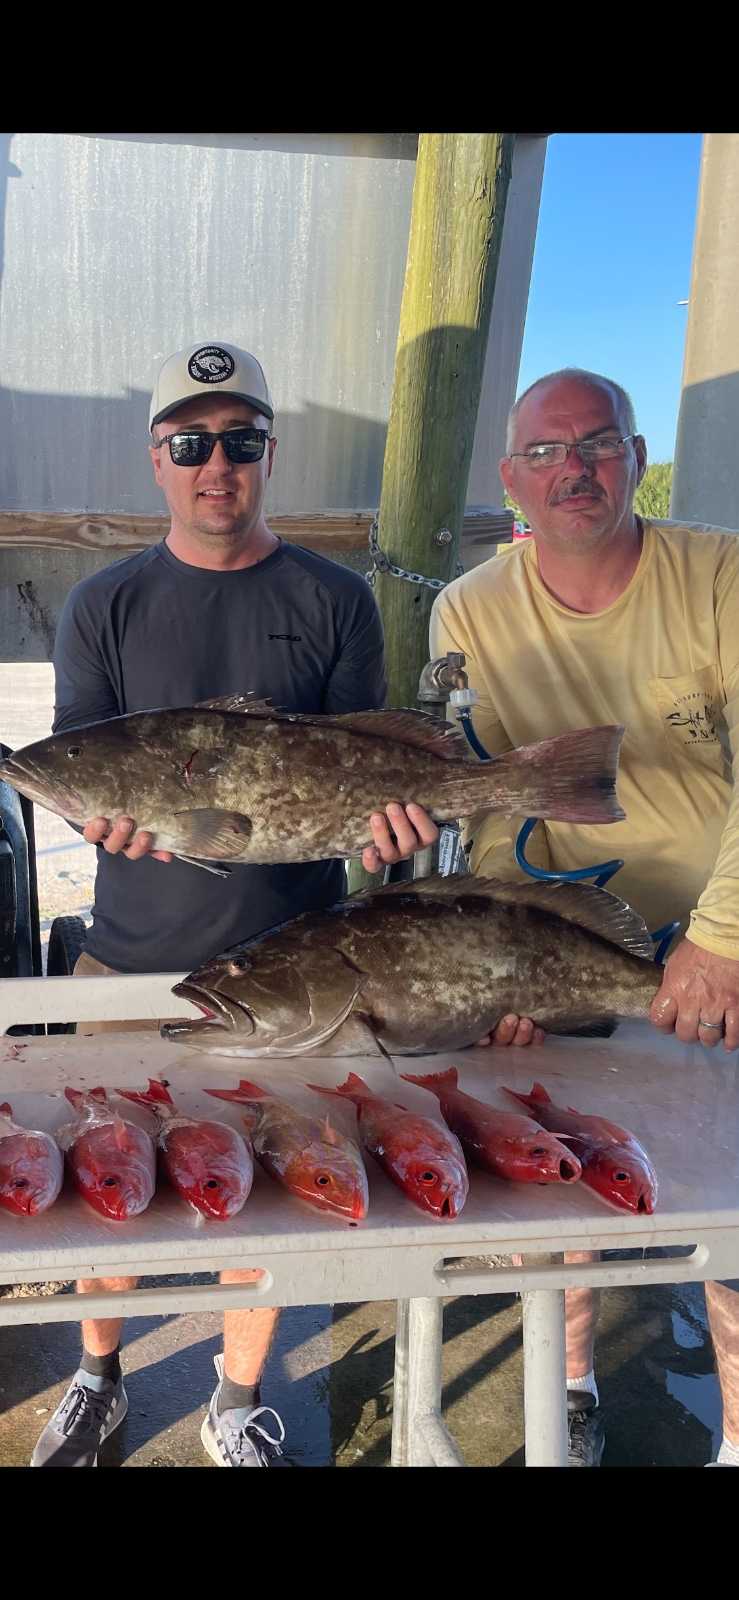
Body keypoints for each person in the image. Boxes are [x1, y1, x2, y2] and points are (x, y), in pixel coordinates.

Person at [31, 340, 438, 1469]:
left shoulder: (335, 598)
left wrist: (392, 837)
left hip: (297, 969)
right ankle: (98, 1373)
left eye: (241, 441)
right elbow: (75, 763)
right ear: (156, 458)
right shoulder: (102, 604)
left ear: (268, 453)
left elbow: (367, 768)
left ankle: (236, 1394)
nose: (218, 464)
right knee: (106, 1180)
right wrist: (96, 819)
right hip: (129, 960)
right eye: (192, 444)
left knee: (280, 1197)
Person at [430, 366, 739, 1468]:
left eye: (599, 444)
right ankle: (570, 1387)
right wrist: (492, 963)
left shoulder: (719, 573)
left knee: (731, 1207)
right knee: (555, 1180)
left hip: (718, 931)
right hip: (557, 936)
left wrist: (721, 939)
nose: (575, 469)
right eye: (546, 452)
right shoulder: (466, 608)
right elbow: (469, 801)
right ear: (510, 477)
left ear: (637, 460)